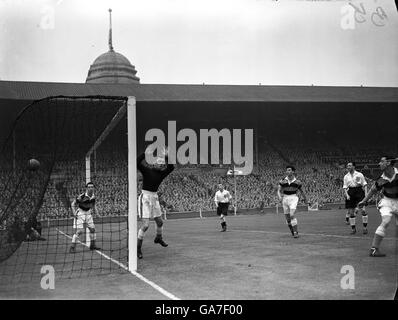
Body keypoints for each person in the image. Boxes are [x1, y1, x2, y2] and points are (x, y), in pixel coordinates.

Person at [137, 147, 174, 259]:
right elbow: (137, 163)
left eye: (162, 164)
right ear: (154, 164)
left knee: (160, 222)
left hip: (154, 197)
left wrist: (167, 156)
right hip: (145, 197)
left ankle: (158, 238)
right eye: (159, 163)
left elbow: (171, 167)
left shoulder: (162, 173)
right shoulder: (147, 170)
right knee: (146, 225)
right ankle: (138, 248)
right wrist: (145, 153)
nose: (161, 165)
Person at [358, 156, 398, 257]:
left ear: (388, 163)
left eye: (381, 161)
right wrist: (363, 201)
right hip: (386, 201)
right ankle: (374, 249)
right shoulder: (381, 179)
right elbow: (372, 190)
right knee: (386, 221)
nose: (379, 164)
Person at [277, 165, 309, 238]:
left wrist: (306, 200)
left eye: (289, 170)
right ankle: (292, 230)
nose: (288, 171)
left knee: (292, 215)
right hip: (285, 198)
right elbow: (278, 190)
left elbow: (302, 192)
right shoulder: (282, 181)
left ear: (293, 171)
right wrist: (279, 196)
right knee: (288, 219)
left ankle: (295, 232)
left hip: (293, 198)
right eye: (287, 170)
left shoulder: (298, 182)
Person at [69, 182, 100, 253]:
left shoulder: (93, 196)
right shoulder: (82, 196)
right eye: (89, 187)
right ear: (86, 188)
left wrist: (97, 213)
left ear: (93, 188)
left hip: (88, 213)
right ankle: (72, 247)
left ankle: (92, 246)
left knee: (92, 229)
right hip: (80, 213)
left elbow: (94, 205)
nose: (90, 188)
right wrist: (74, 213)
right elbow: (73, 204)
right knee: (80, 231)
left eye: (92, 187)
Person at [343, 162, 368, 234]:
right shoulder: (346, 176)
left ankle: (365, 228)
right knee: (351, 212)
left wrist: (366, 194)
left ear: (354, 167)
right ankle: (353, 229)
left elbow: (365, 184)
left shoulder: (359, 174)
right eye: (347, 166)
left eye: (350, 166)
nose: (348, 167)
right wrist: (347, 195)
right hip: (350, 192)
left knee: (363, 210)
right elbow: (345, 187)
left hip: (359, 191)